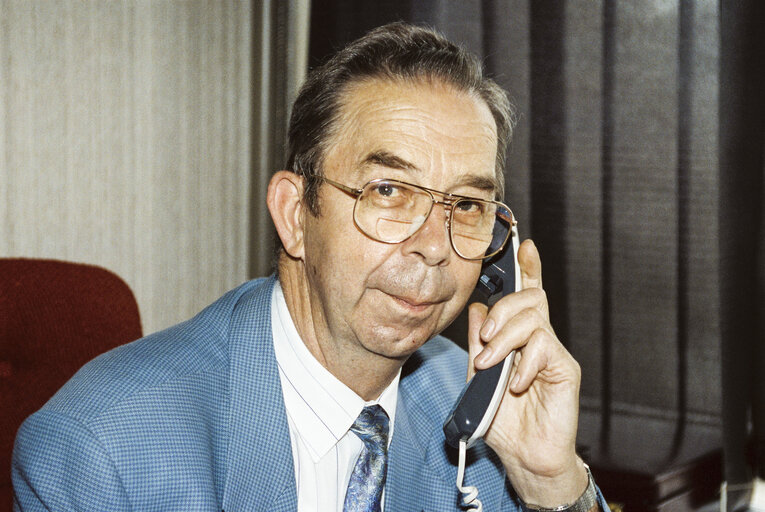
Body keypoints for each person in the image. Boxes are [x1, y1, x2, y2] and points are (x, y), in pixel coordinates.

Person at [12, 22, 609, 512]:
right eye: (389, 192)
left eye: (467, 205)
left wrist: (551, 482)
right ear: (296, 215)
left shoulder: (482, 411)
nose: (434, 246)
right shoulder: (99, 452)